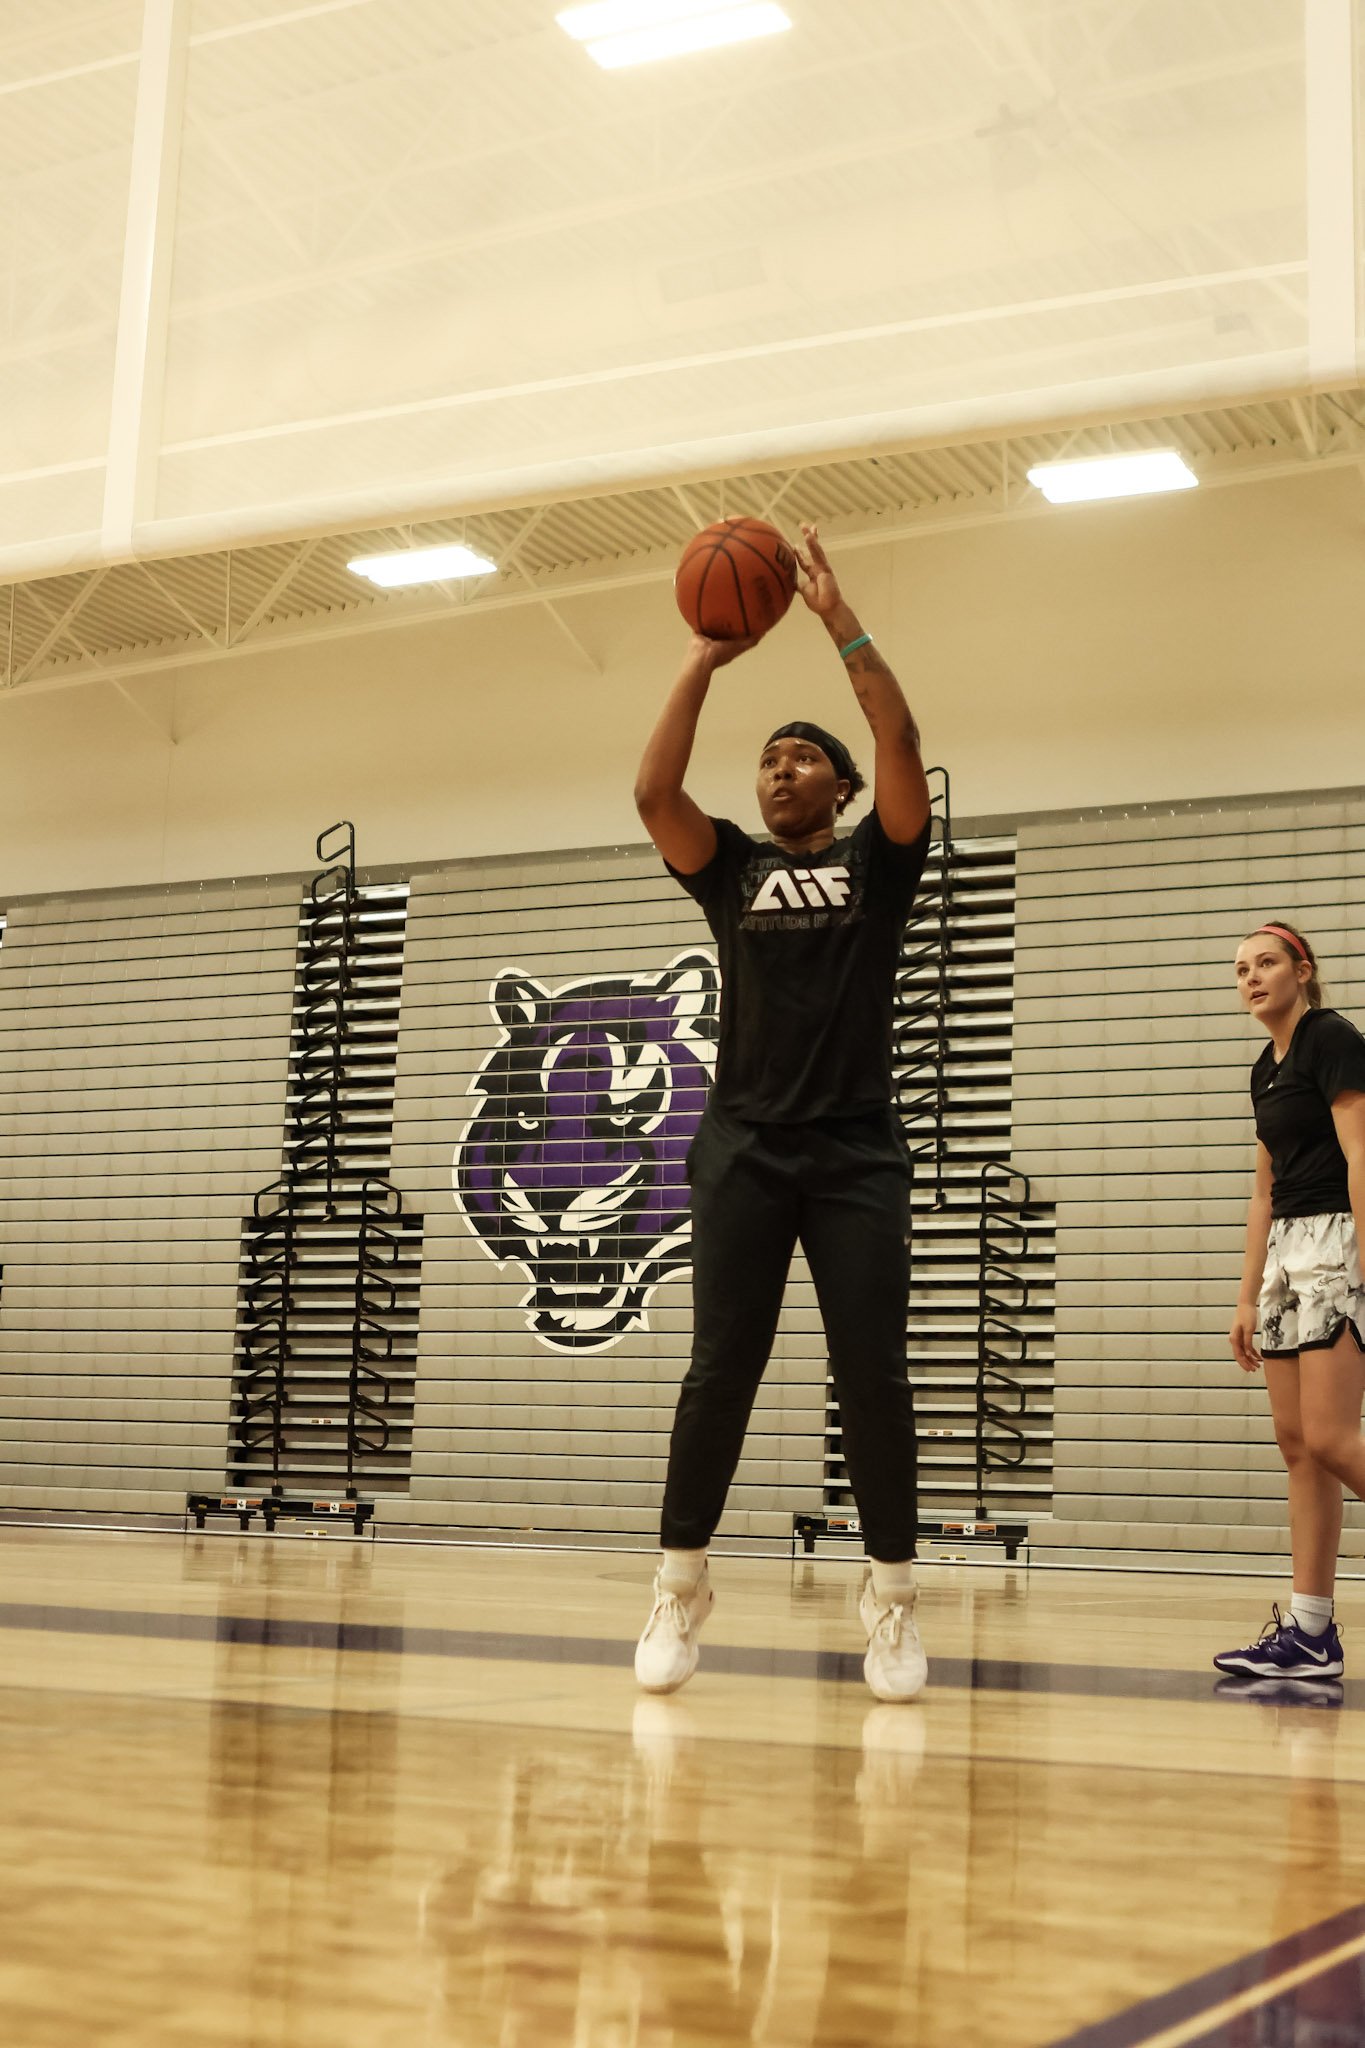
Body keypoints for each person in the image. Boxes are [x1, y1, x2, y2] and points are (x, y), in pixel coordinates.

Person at [631, 523, 932, 1703]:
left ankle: (894, 1602)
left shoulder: (880, 864)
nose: (778, 771)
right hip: (746, 1145)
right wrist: (706, 657)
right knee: (721, 1369)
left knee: (874, 1373)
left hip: (857, 1148)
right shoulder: (732, 867)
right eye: (767, 761)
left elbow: (902, 734)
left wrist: (834, 617)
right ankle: (679, 1583)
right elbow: (654, 789)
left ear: (843, 787)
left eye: (802, 758)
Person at [1215, 922, 1365, 1682]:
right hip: (1283, 1255)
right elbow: (1261, 1189)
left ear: (1301, 971)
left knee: (1335, 1440)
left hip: (1337, 1243)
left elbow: (1360, 1151)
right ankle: (1309, 1633)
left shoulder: (1330, 1037)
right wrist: (1246, 1297)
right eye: (1240, 969)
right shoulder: (1261, 1068)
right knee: (1297, 1445)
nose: (1250, 977)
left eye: (1265, 962)